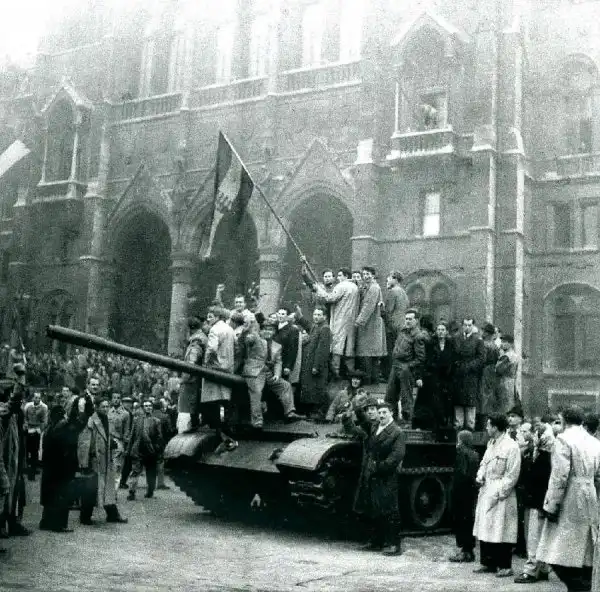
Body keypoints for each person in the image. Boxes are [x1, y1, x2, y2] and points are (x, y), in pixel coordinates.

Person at [537, 406, 600, 592]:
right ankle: (581, 585)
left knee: (555, 550)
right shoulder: (594, 441)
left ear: (564, 419)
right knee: (584, 549)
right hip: (589, 494)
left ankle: (578, 587)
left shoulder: (563, 439)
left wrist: (551, 505)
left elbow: (559, 476)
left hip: (570, 495)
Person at [473, 413, 521, 578]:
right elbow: (484, 463)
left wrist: (500, 492)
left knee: (502, 528)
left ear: (495, 427)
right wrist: (480, 475)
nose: (486, 428)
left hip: (502, 492)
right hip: (487, 488)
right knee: (486, 526)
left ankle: (505, 566)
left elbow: (512, 474)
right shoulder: (491, 444)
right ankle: (488, 563)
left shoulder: (511, 446)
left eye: (488, 425)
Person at [359, 402, 405, 555]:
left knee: (390, 509)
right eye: (379, 412)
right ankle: (376, 541)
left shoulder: (397, 432)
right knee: (374, 507)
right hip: (373, 473)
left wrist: (379, 466)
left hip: (386, 475)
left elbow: (397, 455)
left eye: (385, 412)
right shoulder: (375, 427)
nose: (381, 415)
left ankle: (394, 545)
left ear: (391, 413)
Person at [514, 416, 554, 584]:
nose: (534, 437)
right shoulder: (543, 455)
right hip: (539, 502)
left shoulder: (543, 458)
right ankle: (543, 568)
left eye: (537, 435)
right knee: (540, 536)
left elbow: (537, 480)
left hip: (536, 502)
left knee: (533, 537)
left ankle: (531, 570)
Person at [77, 398, 128, 525]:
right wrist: (84, 463)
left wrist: (111, 444)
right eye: (103, 406)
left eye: (107, 406)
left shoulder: (107, 420)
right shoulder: (91, 421)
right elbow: (84, 443)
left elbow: (106, 437)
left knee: (107, 488)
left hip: (105, 460)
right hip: (95, 461)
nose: (105, 409)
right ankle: (85, 517)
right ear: (97, 407)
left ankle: (112, 514)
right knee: (91, 490)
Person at [312, 267, 359, 378]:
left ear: (346, 276)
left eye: (340, 275)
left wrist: (319, 289)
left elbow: (330, 298)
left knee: (337, 346)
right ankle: (351, 372)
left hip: (340, 319)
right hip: (351, 319)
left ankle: (335, 373)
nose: (337, 278)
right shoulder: (355, 287)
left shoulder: (341, 286)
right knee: (349, 347)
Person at [201, 307, 237, 450]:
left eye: (210, 316)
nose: (208, 319)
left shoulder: (214, 330)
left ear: (217, 317)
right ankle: (227, 432)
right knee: (225, 401)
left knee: (211, 403)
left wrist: (206, 363)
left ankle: (219, 434)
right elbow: (237, 347)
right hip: (228, 369)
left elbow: (211, 349)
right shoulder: (230, 329)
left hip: (215, 370)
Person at [39, 404, 77, 533]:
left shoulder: (49, 428)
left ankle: (45, 522)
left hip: (49, 468)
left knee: (49, 496)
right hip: (61, 468)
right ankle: (59, 524)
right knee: (61, 495)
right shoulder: (63, 428)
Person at [385, 309, 427, 424]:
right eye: (406, 319)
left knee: (406, 397)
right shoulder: (402, 331)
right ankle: (391, 421)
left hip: (406, 369)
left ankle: (407, 422)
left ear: (416, 320)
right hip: (395, 365)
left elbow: (421, 358)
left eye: (410, 319)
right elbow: (391, 325)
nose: (407, 321)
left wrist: (408, 366)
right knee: (390, 395)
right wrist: (384, 313)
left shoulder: (418, 336)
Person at [295, 305, 332, 419]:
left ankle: (318, 412)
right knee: (310, 388)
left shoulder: (325, 329)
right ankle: (310, 412)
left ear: (324, 317)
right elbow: (308, 326)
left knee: (317, 388)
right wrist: (300, 317)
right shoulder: (316, 326)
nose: (316, 317)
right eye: (315, 314)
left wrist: (316, 366)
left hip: (316, 365)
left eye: (319, 315)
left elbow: (322, 350)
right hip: (310, 363)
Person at [449, 430, 480, 563]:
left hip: (461, 491)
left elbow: (462, 473)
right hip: (470, 491)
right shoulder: (474, 454)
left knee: (461, 520)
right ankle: (469, 550)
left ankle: (464, 551)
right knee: (468, 520)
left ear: (461, 440)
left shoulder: (461, 452)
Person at [354, 266, 387, 385]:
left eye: (368, 274)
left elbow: (368, 306)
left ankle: (369, 383)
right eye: (364, 274)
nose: (365, 276)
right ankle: (373, 382)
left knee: (367, 356)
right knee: (372, 357)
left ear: (373, 275)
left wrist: (358, 322)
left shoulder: (373, 288)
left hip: (370, 326)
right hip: (371, 326)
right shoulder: (369, 286)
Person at [127, 400, 164, 501]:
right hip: (138, 449)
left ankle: (150, 491)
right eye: (146, 406)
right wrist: (129, 449)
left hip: (151, 450)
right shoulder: (137, 420)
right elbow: (132, 436)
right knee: (135, 471)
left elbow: (159, 436)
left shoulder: (156, 421)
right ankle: (131, 492)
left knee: (151, 472)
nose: (148, 407)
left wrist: (158, 450)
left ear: (152, 407)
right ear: (143, 408)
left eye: (149, 406)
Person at [453, 318, 485, 430]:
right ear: (462, 326)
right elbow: (453, 354)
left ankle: (470, 427)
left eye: (469, 325)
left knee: (470, 402)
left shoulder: (478, 340)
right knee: (458, 401)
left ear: (473, 326)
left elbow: (481, 358)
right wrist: (456, 365)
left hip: (471, 376)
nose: (467, 327)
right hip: (458, 375)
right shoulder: (456, 338)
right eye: (465, 325)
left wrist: (470, 366)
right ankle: (458, 426)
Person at [179, 317, 207, 432]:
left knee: (192, 402)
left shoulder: (196, 340)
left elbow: (192, 358)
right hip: (197, 377)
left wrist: (186, 375)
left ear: (190, 329)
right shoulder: (201, 337)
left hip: (193, 378)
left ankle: (195, 424)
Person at [382, 271, 409, 377]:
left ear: (395, 279)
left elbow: (388, 311)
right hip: (402, 325)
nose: (387, 280)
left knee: (390, 350)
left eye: (389, 278)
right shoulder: (403, 292)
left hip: (392, 326)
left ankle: (389, 374)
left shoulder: (392, 291)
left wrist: (380, 307)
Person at [23, 391, 48, 480]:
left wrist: (40, 430)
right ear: (33, 398)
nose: (37, 399)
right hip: (28, 430)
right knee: (27, 450)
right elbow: (25, 417)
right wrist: (26, 426)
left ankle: (33, 471)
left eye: (39, 398)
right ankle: (27, 468)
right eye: (36, 397)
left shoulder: (44, 407)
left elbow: (44, 420)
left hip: (37, 430)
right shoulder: (28, 406)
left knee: (35, 451)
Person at [272, 307, 300, 384]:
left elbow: (293, 349)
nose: (280, 316)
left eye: (283, 314)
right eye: (279, 313)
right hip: (273, 361)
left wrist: (288, 366)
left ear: (287, 316)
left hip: (283, 362)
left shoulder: (292, 330)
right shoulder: (274, 327)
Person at [495, 334, 520, 416]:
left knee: (504, 406)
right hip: (511, 382)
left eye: (505, 342)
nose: (502, 344)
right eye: (502, 341)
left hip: (504, 382)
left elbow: (498, 369)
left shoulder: (506, 356)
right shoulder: (515, 355)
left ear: (511, 344)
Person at [108, 392, 130, 482]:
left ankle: (115, 488)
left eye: (118, 398)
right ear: (111, 399)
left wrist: (125, 444)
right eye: (114, 398)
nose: (116, 400)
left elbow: (126, 430)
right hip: (107, 441)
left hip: (118, 441)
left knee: (116, 466)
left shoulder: (125, 414)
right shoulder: (107, 411)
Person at [480, 323, 500, 418]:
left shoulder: (485, 345)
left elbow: (482, 360)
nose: (481, 333)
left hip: (485, 370)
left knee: (484, 393)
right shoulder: (494, 345)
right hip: (491, 370)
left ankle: (484, 416)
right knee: (489, 393)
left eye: (483, 331)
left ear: (487, 333)